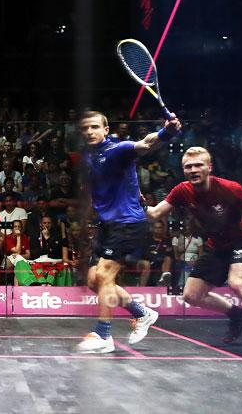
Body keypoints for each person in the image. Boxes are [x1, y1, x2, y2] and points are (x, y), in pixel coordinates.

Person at [146, 146, 242, 344]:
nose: (193, 170)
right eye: (188, 167)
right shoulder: (182, 190)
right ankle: (238, 315)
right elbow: (155, 213)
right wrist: (137, 203)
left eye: (198, 165)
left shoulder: (228, 188)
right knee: (191, 295)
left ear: (209, 167)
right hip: (216, 245)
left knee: (238, 284)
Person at [76, 110, 181, 354]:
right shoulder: (91, 156)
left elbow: (145, 145)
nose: (89, 132)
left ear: (105, 129)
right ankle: (142, 313)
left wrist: (167, 132)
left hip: (127, 223)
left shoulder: (117, 149)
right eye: (85, 129)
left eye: (94, 127)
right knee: (94, 281)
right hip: (108, 224)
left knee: (104, 276)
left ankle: (103, 334)